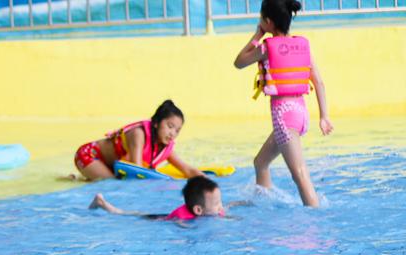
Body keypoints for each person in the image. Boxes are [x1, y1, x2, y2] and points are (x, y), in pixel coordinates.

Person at [233, 0, 332, 207]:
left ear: (268, 22)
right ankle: (263, 202)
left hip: (284, 119)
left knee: (300, 174)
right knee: (260, 162)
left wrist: (258, 35)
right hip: (300, 114)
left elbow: (239, 62)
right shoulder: (302, 46)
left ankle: (316, 218)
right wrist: (324, 116)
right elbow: (319, 82)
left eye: (261, 18)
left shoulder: (267, 48)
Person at [73, 100, 202, 181]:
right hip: (89, 155)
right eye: (170, 126)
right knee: (113, 184)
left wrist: (207, 182)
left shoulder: (165, 148)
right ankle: (89, 173)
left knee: (116, 180)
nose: (172, 133)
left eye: (177, 130)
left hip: (110, 165)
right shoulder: (138, 134)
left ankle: (79, 178)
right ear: (156, 123)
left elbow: (187, 170)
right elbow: (138, 172)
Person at [90, 175, 231, 220]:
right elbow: (181, 226)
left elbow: (228, 207)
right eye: (217, 203)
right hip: (160, 219)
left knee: (135, 213)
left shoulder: (207, 209)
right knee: (125, 214)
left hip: (165, 214)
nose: (221, 206)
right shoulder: (182, 219)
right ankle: (103, 204)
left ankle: (102, 203)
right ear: (198, 210)